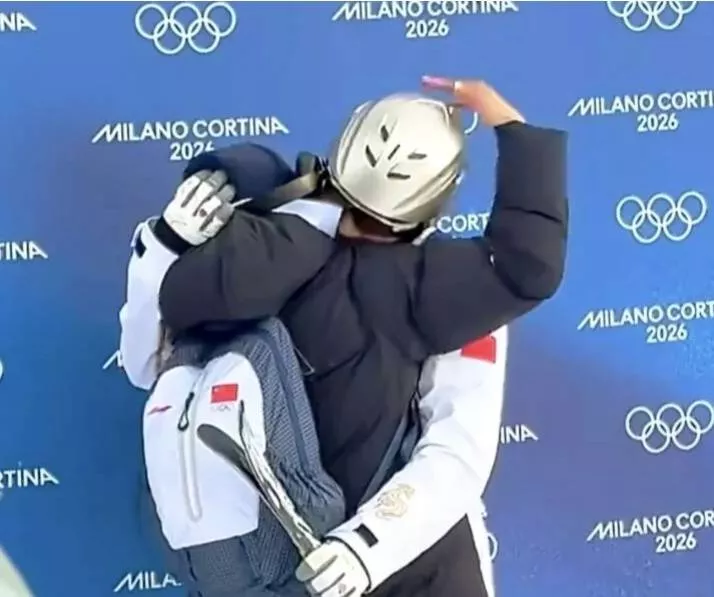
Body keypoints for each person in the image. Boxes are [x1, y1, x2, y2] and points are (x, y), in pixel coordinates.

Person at [121, 77, 567, 597]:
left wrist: (162, 249)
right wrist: (512, 127)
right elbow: (459, 448)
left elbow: (144, 364)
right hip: (316, 563)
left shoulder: (258, 243)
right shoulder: (445, 286)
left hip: (350, 564)